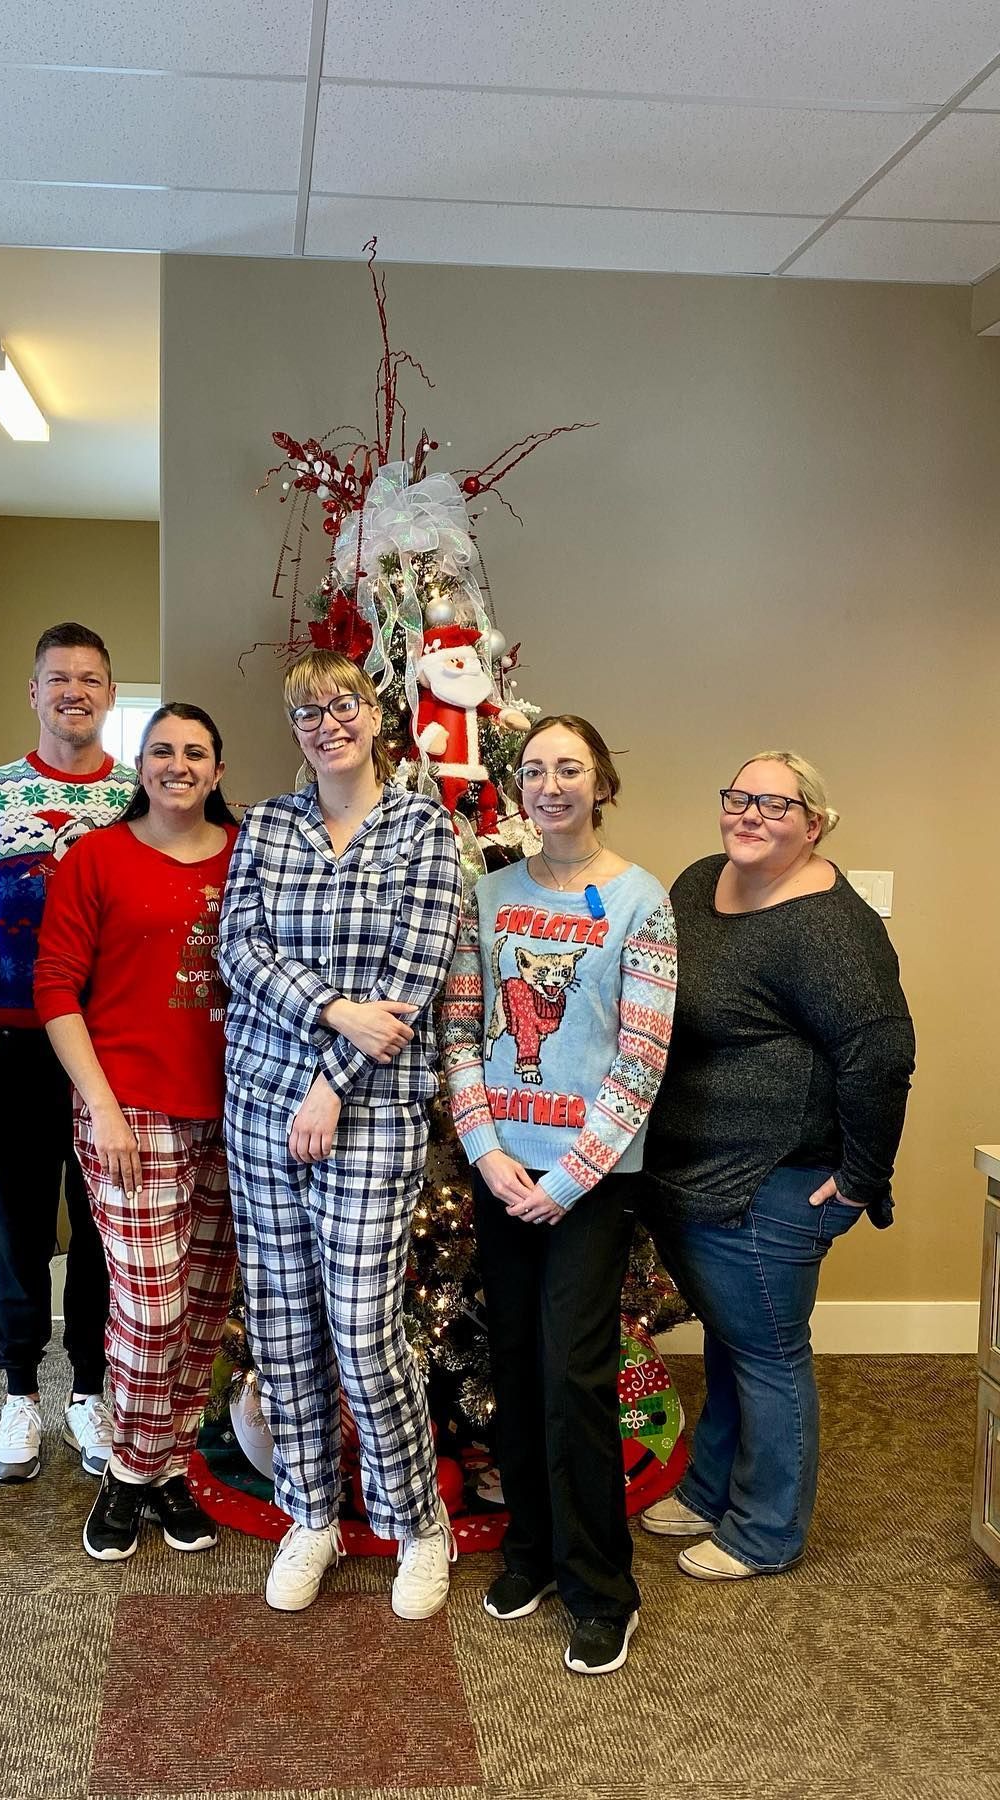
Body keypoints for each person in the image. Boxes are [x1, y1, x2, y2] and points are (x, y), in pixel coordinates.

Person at [218, 648, 463, 1621]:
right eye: (309, 712)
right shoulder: (269, 826)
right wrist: (332, 1011)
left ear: (375, 714)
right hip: (259, 1103)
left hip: (369, 1112)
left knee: (362, 1330)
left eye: (343, 704)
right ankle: (310, 1515)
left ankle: (419, 1525)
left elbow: (417, 974)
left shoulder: (423, 828)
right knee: (284, 1323)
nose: (328, 724)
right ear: (296, 730)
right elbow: (240, 949)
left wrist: (331, 1083)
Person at [637, 752, 914, 1580]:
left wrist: (862, 1176)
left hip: (773, 1180)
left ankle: (766, 1531)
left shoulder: (830, 927)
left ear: (813, 824)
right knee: (733, 1341)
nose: (750, 814)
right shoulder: (699, 883)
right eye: (739, 797)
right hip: (694, 1173)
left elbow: (880, 1055)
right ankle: (711, 1491)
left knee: (767, 1357)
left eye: (775, 804)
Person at [441, 714, 676, 1676]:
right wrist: (488, 1153)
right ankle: (532, 1551)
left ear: (600, 784)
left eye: (569, 769)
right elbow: (460, 1031)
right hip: (502, 1168)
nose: (550, 785)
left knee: (575, 1372)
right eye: (534, 770)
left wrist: (572, 1176)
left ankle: (600, 1589)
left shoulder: (640, 900)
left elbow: (643, 1054)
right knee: (512, 1358)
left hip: (593, 1180)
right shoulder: (487, 894)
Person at [35, 704, 240, 1561]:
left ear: (218, 771)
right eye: (161, 750)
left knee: (206, 1305)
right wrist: (102, 1107)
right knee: (152, 1309)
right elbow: (55, 987)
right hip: (130, 1109)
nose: (177, 765)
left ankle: (170, 1465)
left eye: (195, 752)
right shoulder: (97, 857)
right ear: (141, 765)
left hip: (237, 1113)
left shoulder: (249, 856)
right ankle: (128, 1471)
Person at [0, 623, 135, 1484]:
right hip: (14, 1049)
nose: (73, 692)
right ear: (34, 692)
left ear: (110, 695)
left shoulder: (140, 796)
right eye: (58, 678)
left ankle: (90, 1392)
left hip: (111, 1056)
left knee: (102, 1229)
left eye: (89, 678)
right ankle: (19, 1392)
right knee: (17, 1228)